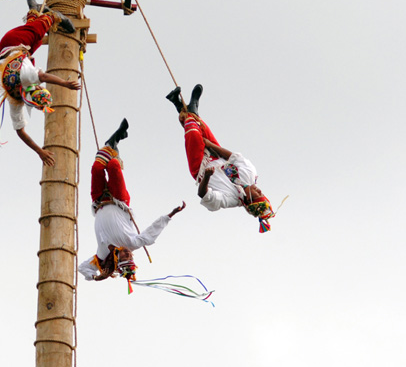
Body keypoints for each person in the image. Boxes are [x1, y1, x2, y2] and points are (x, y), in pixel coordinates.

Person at [78, 119, 186, 282]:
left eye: (124, 257)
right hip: (118, 200)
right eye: (130, 256)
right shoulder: (133, 242)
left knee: (97, 168)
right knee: (113, 165)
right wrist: (170, 215)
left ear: (117, 261)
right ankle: (114, 146)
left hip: (99, 201)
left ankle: (112, 142)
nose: (128, 253)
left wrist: (96, 276)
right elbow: (151, 233)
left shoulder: (102, 254)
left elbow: (82, 268)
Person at [166, 84, 275, 232]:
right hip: (217, 154)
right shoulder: (251, 174)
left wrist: (207, 177)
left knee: (193, 132)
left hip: (201, 167)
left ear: (249, 200)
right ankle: (180, 104)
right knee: (201, 128)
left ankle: (189, 107)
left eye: (258, 194)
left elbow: (203, 194)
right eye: (261, 192)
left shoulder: (230, 200)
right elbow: (233, 157)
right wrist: (211, 145)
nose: (259, 189)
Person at [0, 0, 80, 166]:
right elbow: (20, 131)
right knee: (35, 40)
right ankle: (34, 11)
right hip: (17, 49)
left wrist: (65, 84)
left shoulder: (27, 78)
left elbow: (44, 77)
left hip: (12, 42)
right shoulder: (15, 99)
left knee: (37, 31)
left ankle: (53, 16)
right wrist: (39, 151)